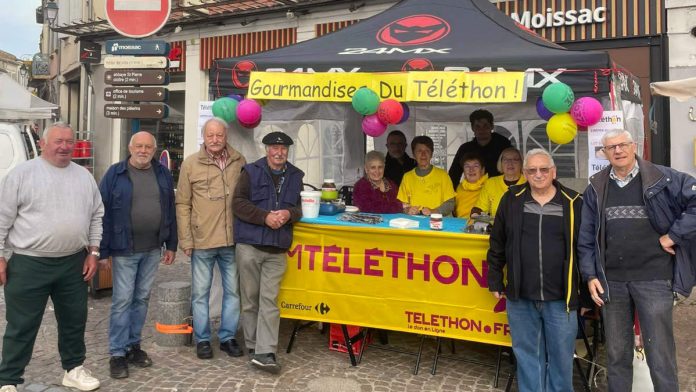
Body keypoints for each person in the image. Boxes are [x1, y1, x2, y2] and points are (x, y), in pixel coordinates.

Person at [578, 129, 696, 392]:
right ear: (605, 153)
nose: (618, 151)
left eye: (622, 145)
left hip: (654, 279)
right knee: (617, 355)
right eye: (611, 148)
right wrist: (590, 275)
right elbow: (586, 236)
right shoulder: (596, 187)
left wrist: (673, 235)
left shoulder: (664, 178)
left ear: (634, 147)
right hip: (612, 282)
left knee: (660, 355)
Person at [0, 122, 103, 392]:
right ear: (43, 143)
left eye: (69, 141)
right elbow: (1, 219)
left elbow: (96, 216)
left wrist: (93, 251)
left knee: (74, 320)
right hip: (28, 262)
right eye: (58, 141)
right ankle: (9, 379)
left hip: (72, 263)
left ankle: (73, 369)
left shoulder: (83, 176)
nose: (65, 146)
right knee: (22, 324)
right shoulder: (22, 175)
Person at [487, 149, 584, 392]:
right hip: (521, 295)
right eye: (532, 170)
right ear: (525, 174)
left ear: (554, 172)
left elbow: (586, 249)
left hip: (561, 297)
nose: (538, 174)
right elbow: (497, 242)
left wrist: (584, 293)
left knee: (562, 357)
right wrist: (496, 279)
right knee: (527, 355)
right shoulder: (512, 199)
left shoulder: (574, 202)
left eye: (543, 169)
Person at [99, 131, 178, 379]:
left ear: (154, 150)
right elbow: (100, 212)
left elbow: (170, 211)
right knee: (123, 300)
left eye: (148, 147)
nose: (143, 151)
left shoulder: (163, 173)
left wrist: (171, 244)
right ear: (130, 148)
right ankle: (117, 353)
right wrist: (101, 250)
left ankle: (134, 346)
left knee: (142, 298)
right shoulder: (115, 173)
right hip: (124, 248)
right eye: (139, 146)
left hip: (153, 248)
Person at [233, 131, 304, 374]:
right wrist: (264, 217)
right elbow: (238, 204)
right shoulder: (250, 172)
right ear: (266, 150)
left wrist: (289, 214)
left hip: (277, 248)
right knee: (250, 299)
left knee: (269, 300)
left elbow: (300, 207)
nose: (279, 152)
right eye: (274, 147)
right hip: (250, 246)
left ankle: (266, 351)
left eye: (283, 148)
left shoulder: (296, 175)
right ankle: (253, 346)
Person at [176, 117, 247, 360]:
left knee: (233, 293)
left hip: (232, 240)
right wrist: (186, 240)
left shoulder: (239, 161)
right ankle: (203, 339)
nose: (215, 140)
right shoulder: (190, 164)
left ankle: (227, 337)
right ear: (204, 137)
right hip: (202, 240)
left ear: (226, 137)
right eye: (210, 135)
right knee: (200, 293)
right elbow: (183, 204)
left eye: (219, 135)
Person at [448, 109, 512, 187]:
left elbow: (514, 168)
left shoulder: (503, 145)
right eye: (477, 126)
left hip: (499, 192)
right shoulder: (465, 149)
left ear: (492, 126)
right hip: (473, 193)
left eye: (485, 126)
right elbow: (453, 175)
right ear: (472, 128)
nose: (482, 130)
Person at [397, 135, 456, 216]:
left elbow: (450, 203)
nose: (423, 154)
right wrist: (408, 209)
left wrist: (433, 211)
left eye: (427, 151)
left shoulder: (443, 175)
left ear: (431, 154)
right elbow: (401, 204)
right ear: (414, 154)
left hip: (438, 223)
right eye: (419, 151)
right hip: (415, 224)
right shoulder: (407, 177)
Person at [471, 147, 526, 219]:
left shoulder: (529, 182)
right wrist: (476, 215)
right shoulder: (491, 182)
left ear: (521, 163)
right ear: (501, 163)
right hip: (495, 227)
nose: (510, 163)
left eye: (515, 159)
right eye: (506, 160)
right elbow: (479, 209)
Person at [454, 152, 488, 218]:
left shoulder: (489, 186)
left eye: (476, 166)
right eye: (467, 166)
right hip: (460, 226)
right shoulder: (459, 188)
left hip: (481, 226)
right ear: (463, 171)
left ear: (482, 170)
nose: (471, 169)